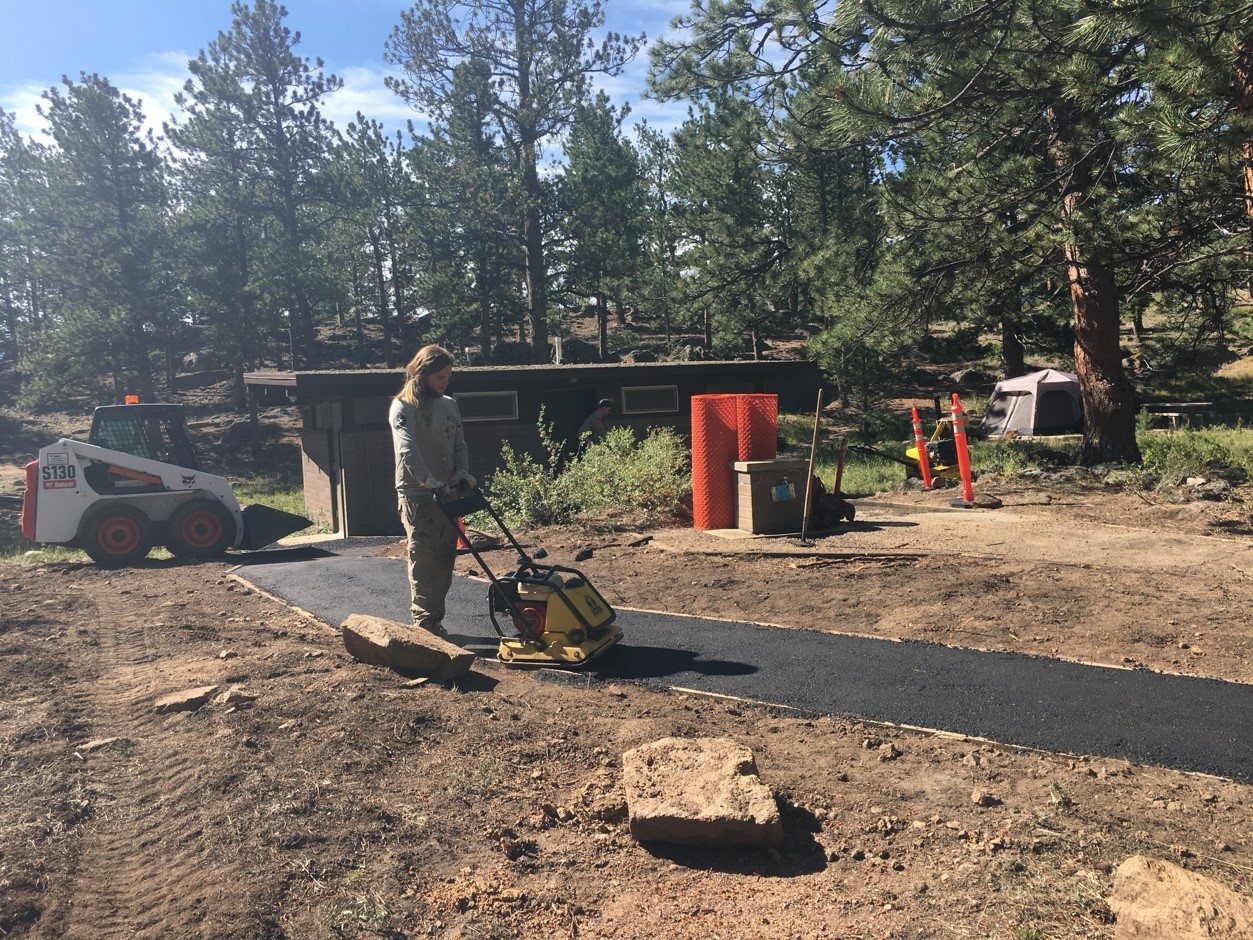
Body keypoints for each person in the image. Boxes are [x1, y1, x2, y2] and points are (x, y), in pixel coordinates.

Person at [390, 344, 475, 639]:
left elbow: (460, 444)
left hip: (448, 493)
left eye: (448, 377)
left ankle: (434, 619)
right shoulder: (403, 407)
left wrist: (462, 473)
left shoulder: (449, 404)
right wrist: (428, 481)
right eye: (440, 377)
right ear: (423, 374)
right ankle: (425, 625)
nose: (445, 382)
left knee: (445, 559)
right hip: (418, 496)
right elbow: (406, 450)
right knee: (424, 559)